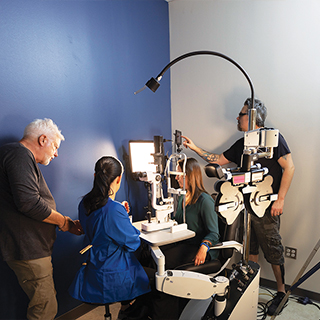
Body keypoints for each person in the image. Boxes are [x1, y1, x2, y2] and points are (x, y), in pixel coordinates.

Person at [182, 98, 295, 316]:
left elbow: (289, 167)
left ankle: (281, 292)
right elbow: (217, 160)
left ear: (253, 116)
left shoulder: (273, 138)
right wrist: (194, 147)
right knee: (249, 247)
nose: (237, 117)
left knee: (272, 248)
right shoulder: (242, 142)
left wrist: (280, 199)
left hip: (266, 204)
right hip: (244, 206)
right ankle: (252, 286)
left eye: (241, 114)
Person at [0, 118, 83, 320]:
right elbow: (29, 203)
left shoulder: (16, 155)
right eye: (55, 146)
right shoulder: (19, 154)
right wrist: (65, 223)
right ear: (43, 139)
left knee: (45, 301)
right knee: (45, 308)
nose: (55, 153)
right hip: (28, 249)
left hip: (29, 248)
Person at [69, 156, 151, 318]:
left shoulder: (84, 202)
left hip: (93, 266)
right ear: (119, 179)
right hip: (111, 273)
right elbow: (133, 243)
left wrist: (119, 212)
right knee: (153, 280)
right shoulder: (113, 210)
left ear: (95, 176)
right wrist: (121, 216)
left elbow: (98, 226)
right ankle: (127, 310)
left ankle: (126, 306)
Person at [161, 157, 220, 269]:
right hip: (183, 244)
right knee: (149, 253)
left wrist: (203, 248)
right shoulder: (182, 197)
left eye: (179, 174)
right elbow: (177, 222)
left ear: (190, 176)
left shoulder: (205, 201)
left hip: (199, 248)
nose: (177, 177)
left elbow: (214, 233)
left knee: (161, 261)